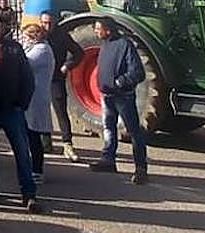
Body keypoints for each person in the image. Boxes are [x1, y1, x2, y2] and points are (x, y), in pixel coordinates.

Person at [0, 11, 40, 212]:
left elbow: (28, 79)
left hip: (12, 110)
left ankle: (28, 192)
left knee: (22, 152)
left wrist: (22, 103)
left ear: (1, 27)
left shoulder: (14, 48)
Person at [90, 17, 149, 183]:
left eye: (98, 28)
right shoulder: (105, 45)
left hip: (123, 96)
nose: (96, 31)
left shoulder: (125, 45)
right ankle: (108, 160)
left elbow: (137, 72)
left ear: (108, 30)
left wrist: (119, 83)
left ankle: (140, 168)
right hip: (107, 96)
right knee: (108, 128)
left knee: (133, 131)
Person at [42, 10, 82, 162]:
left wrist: (67, 65)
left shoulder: (62, 36)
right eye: (44, 23)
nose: (47, 26)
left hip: (56, 78)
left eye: (50, 23)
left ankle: (67, 144)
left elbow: (78, 52)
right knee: (42, 110)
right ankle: (46, 142)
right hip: (41, 79)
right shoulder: (39, 35)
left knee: (60, 111)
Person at [21, 23, 55, 184]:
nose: (24, 40)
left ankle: (37, 170)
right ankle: (32, 167)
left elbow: (24, 63)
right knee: (30, 133)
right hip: (32, 97)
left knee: (34, 135)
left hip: (37, 98)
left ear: (34, 37)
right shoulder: (36, 48)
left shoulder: (42, 50)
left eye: (26, 37)